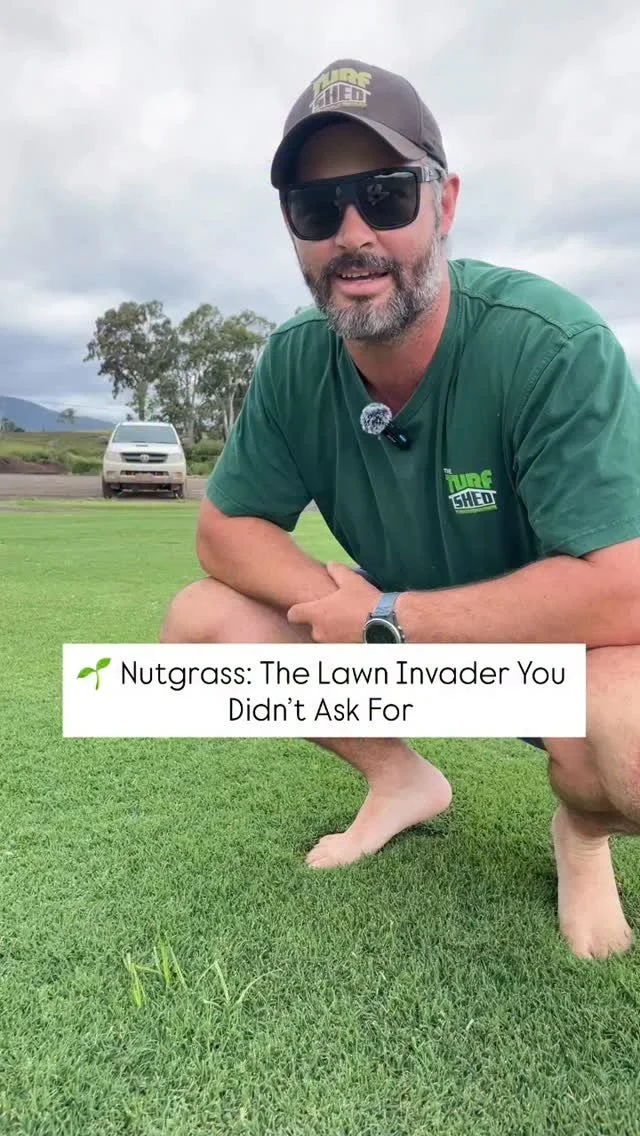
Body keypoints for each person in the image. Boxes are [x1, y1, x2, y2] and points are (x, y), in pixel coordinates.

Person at [161, 59, 640, 960]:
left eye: (386, 195)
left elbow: (625, 590)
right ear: (292, 229)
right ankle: (401, 779)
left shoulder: (553, 346)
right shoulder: (296, 359)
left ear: (444, 203)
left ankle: (583, 832)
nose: (353, 235)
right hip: (405, 647)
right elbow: (224, 530)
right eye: (317, 208)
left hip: (566, 657)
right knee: (198, 626)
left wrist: (387, 617)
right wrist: (341, 607)